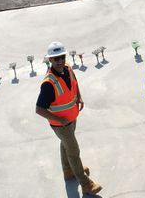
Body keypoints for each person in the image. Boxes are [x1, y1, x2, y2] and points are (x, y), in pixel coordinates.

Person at [35, 41, 103, 196]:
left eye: (62, 57)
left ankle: (68, 171)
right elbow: (39, 109)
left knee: (66, 144)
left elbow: (74, 82)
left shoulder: (68, 69)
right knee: (73, 151)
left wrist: (79, 96)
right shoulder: (48, 84)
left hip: (72, 118)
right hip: (61, 124)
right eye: (56, 58)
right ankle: (86, 184)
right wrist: (59, 120)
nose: (60, 61)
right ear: (50, 60)